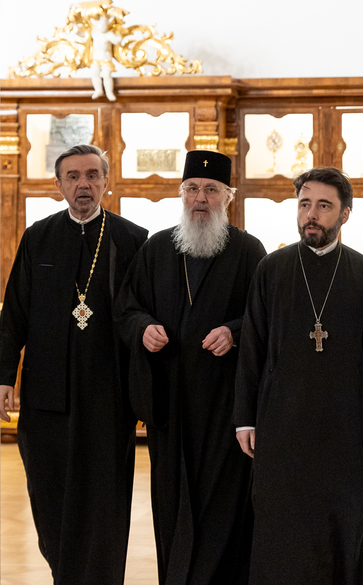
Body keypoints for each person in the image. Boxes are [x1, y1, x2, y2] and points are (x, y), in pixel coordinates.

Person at [0, 144, 147, 585]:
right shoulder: (38, 237)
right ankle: (65, 574)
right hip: (46, 396)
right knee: (49, 496)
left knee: (104, 500)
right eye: (73, 176)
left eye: (92, 175)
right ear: (58, 185)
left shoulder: (133, 239)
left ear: (106, 182)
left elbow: (144, 317)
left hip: (108, 396)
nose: (83, 184)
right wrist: (3, 376)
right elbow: (15, 312)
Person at [115, 150, 266, 585]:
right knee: (171, 506)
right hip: (170, 407)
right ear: (182, 194)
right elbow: (126, 309)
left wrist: (234, 332)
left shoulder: (249, 251)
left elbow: (266, 319)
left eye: (211, 190)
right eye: (193, 189)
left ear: (228, 197)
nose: (201, 198)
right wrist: (143, 329)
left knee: (223, 508)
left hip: (225, 407)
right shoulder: (157, 249)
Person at [234, 167, 363, 585]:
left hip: (343, 431)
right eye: (305, 204)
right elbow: (252, 347)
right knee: (280, 530)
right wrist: (245, 419)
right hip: (281, 426)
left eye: (324, 206)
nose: (311, 214)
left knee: (340, 526)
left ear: (345, 214)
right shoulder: (271, 269)